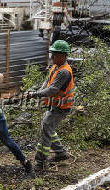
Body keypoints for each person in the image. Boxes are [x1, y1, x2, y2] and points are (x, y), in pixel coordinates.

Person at [27, 40, 75, 172]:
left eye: (55, 54)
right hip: (55, 105)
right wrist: (36, 92)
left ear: (63, 56)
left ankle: (40, 162)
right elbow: (46, 83)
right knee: (47, 128)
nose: (52, 57)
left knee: (46, 130)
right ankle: (61, 153)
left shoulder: (64, 72)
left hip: (61, 107)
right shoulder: (55, 67)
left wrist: (35, 95)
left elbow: (52, 90)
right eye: (52, 54)